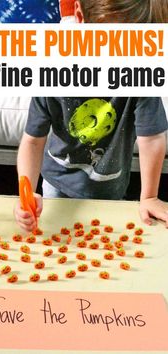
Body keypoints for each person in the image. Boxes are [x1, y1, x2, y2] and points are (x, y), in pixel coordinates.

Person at [15, 0, 168, 231]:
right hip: (55, 184)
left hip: (109, 188)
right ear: (80, 15)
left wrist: (148, 197)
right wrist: (26, 192)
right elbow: (32, 140)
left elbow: (153, 139)